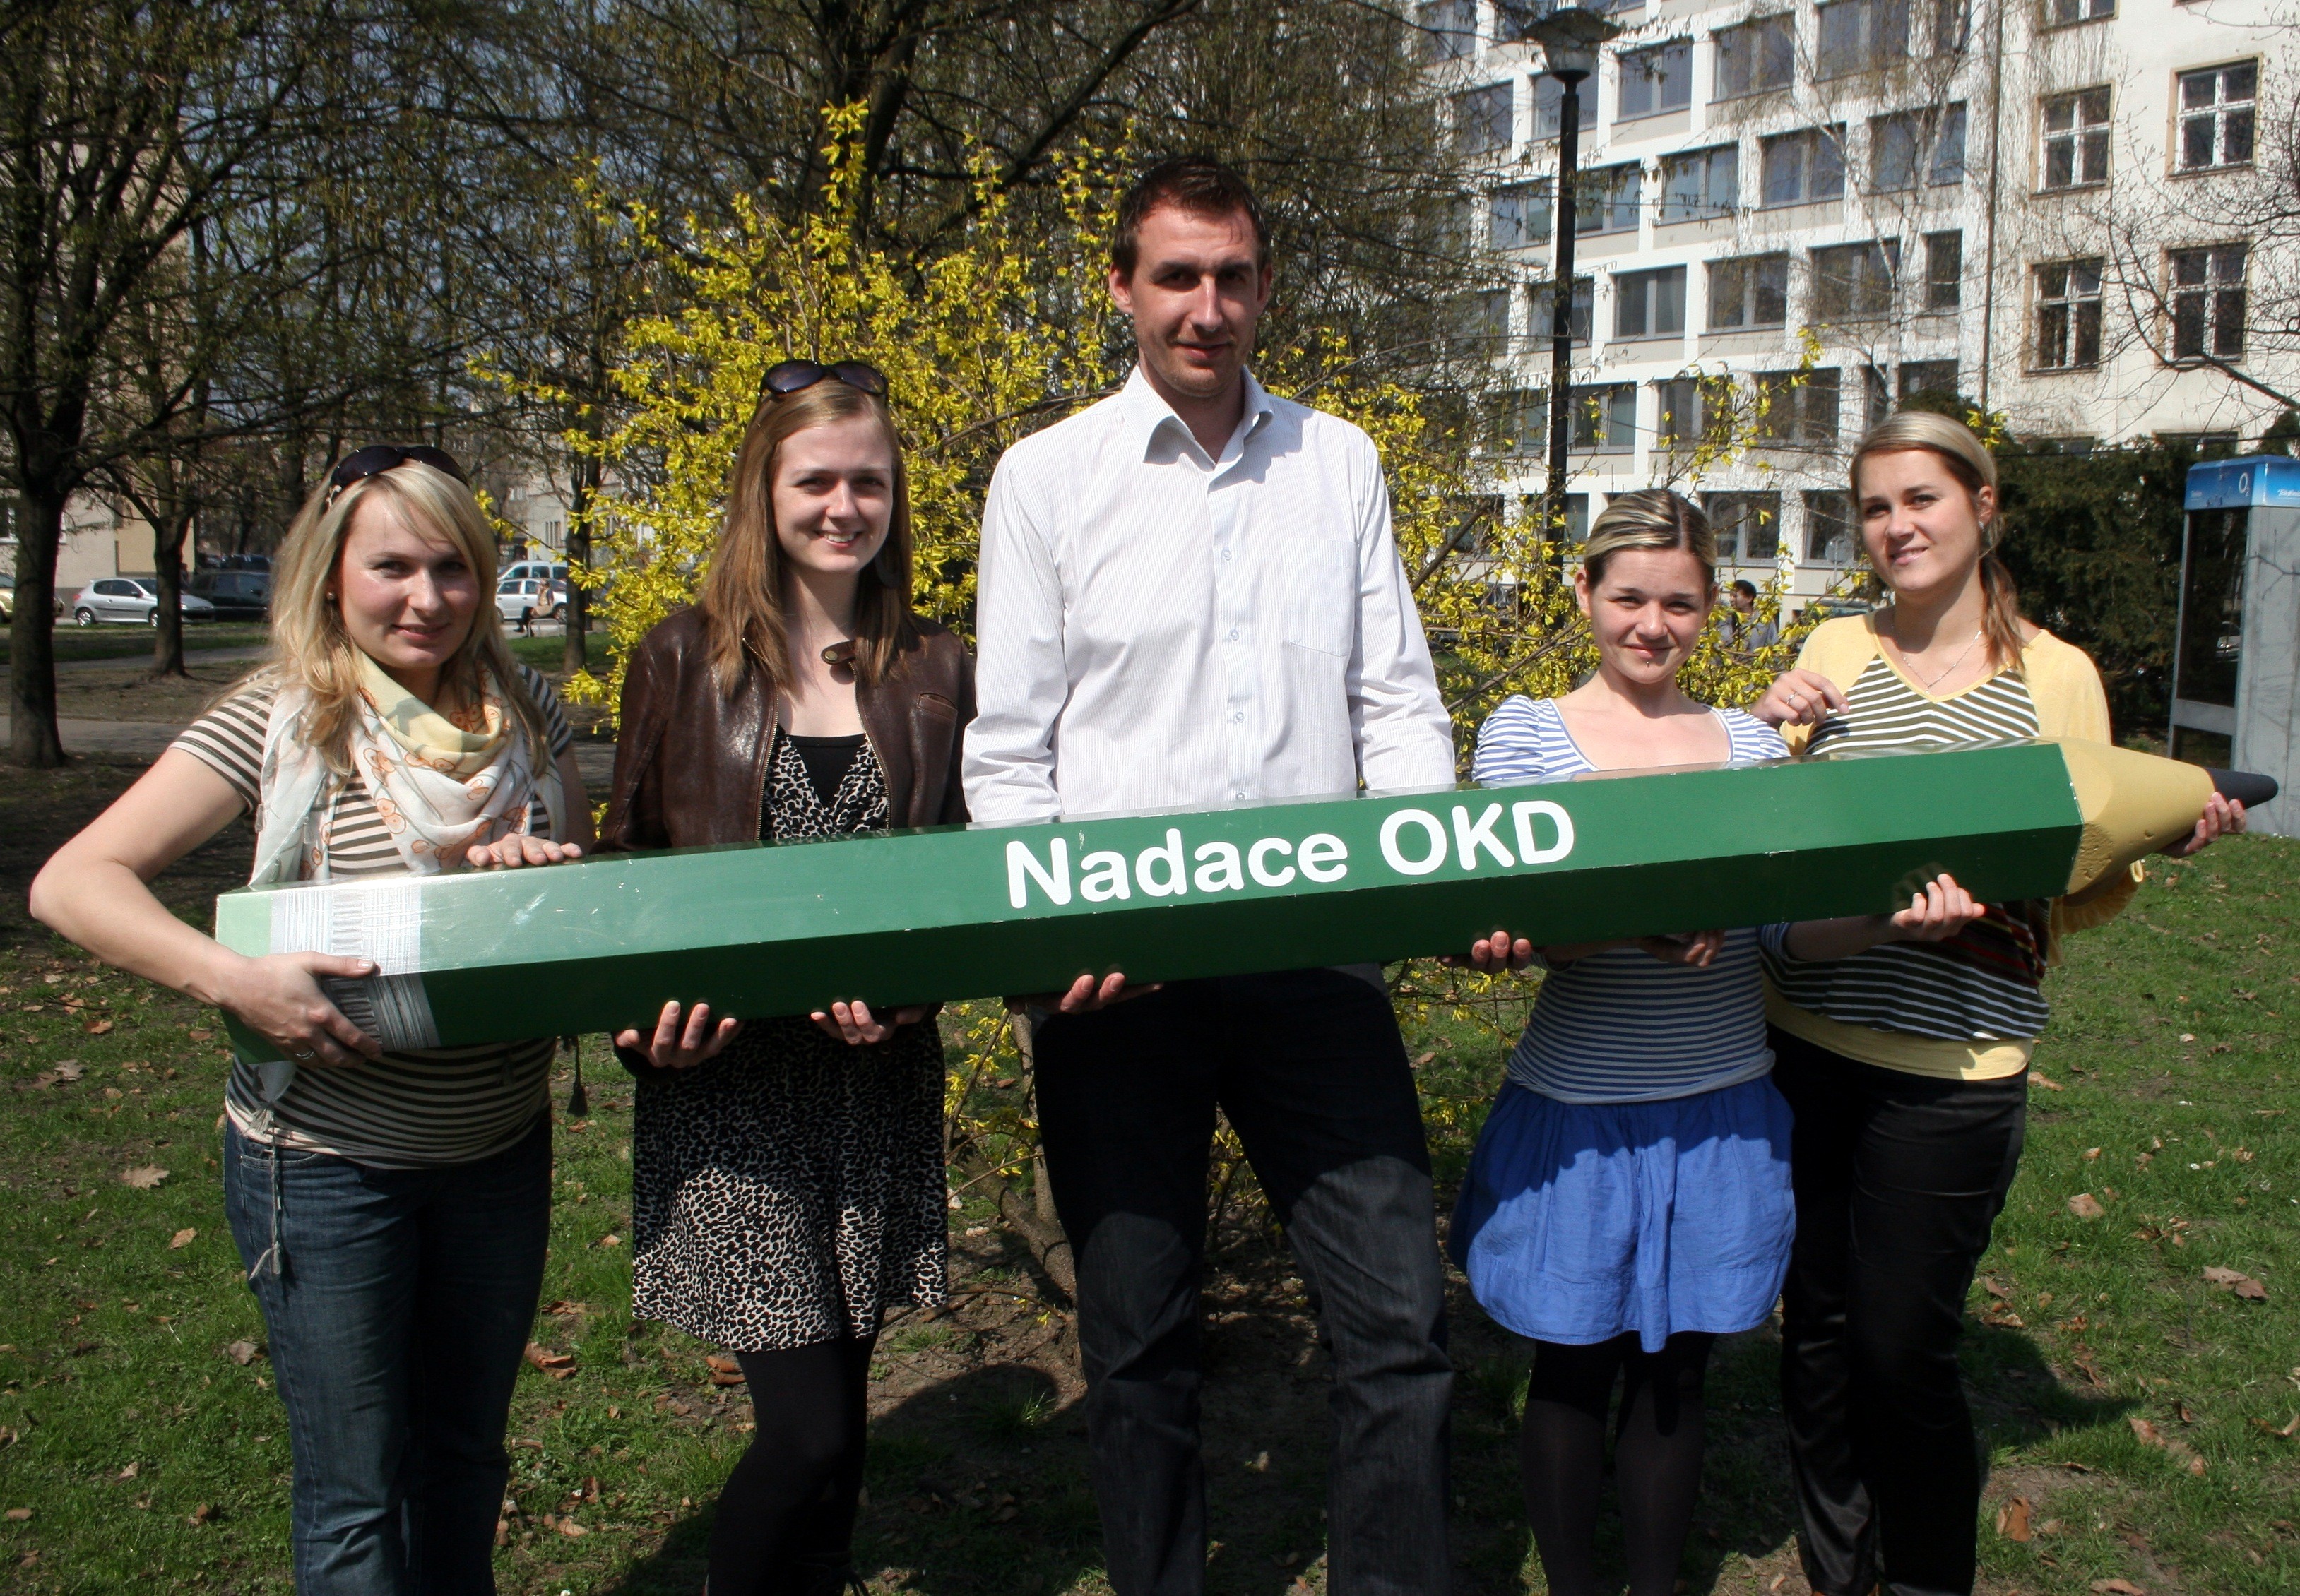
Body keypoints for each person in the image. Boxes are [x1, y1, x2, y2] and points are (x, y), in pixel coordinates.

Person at [962, 156, 1459, 1595]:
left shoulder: (1338, 461)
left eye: (1232, 277)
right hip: (1120, 975)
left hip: (1314, 962)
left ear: (1264, 288)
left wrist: (1417, 880)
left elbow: (1396, 705)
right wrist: (1048, 942)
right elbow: (1011, 751)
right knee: (1136, 1346)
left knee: (1400, 1325)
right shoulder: (1047, 478)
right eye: (1176, 276)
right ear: (1121, 285)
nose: (1206, 307)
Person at [30, 444, 592, 1593]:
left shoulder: (526, 712)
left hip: (496, 1153)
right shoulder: (287, 717)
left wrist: (532, 879)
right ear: (331, 574)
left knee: (464, 1465)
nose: (427, 598)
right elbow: (73, 883)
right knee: (355, 1501)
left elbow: (570, 903)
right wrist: (231, 980)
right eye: (393, 567)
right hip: (329, 1168)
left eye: (453, 567)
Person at [1750, 410, 2244, 1596]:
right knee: (1815, 1338)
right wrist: (1756, 735)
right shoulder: (1833, 647)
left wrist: (2159, 839)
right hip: (1803, 1040)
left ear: (1983, 507)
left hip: (1955, 1066)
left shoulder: (2057, 676)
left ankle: (1926, 1581)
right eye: (1875, 507)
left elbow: (2076, 879)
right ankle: (1840, 1575)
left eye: (1921, 498)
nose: (1896, 526)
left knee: (1900, 1350)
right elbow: (1776, 839)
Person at [1450, 491, 1980, 1596]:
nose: (1653, 626)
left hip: (1724, 1110)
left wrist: (1888, 917)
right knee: (1572, 1373)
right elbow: (1530, 925)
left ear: (1710, 611)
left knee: (1676, 1379)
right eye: (1629, 598)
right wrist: (1636, 924)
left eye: (1681, 605)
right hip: (1580, 1115)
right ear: (1585, 593)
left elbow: (1786, 932)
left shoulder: (1748, 747)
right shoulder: (1523, 732)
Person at [598, 361, 973, 1596]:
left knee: (844, 1431)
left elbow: (964, 875)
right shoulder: (680, 656)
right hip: (733, 1093)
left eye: (869, 482)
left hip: (873, 1087)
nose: (842, 507)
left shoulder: (935, 667)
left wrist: (912, 997)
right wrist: (642, 1030)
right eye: (815, 480)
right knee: (804, 1433)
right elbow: (624, 871)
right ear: (764, 490)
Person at [1724, 578, 1777, 650]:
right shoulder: (1725, 618)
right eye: (1730, 596)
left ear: (1749, 598)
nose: (1731, 600)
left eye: (1735, 596)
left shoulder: (1764, 620)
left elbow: (1773, 644)